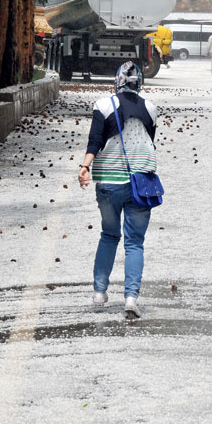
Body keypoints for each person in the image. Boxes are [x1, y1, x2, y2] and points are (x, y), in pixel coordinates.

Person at [78, 61, 157, 318]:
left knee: (109, 235)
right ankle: (131, 298)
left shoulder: (103, 105)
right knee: (135, 242)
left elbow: (95, 140)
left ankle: (99, 293)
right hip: (141, 184)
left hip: (110, 183)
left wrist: (85, 167)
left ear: (117, 82)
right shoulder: (150, 108)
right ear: (140, 83)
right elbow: (149, 140)